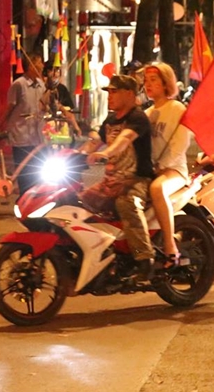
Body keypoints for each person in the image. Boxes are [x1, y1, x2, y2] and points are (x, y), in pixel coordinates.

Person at [79, 74, 155, 281]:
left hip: (136, 180)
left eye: (114, 92)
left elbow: (125, 138)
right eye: (109, 92)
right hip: (112, 180)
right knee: (80, 201)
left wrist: (106, 153)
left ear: (129, 94)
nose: (109, 96)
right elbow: (96, 139)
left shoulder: (137, 118)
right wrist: (79, 152)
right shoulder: (111, 119)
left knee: (126, 203)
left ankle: (144, 259)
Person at [143, 62, 192, 268]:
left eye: (153, 80)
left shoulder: (177, 109)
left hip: (174, 170)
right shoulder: (146, 113)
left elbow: (180, 143)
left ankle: (170, 245)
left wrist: (162, 166)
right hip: (151, 170)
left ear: (165, 83)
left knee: (157, 189)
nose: (148, 84)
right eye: (146, 80)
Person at [3, 53, 46, 196]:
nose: (42, 66)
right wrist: (1, 124)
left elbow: (44, 104)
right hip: (21, 134)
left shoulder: (41, 85)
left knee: (38, 170)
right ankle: (23, 199)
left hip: (37, 135)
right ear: (31, 66)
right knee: (24, 171)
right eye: (39, 62)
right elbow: (10, 107)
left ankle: (34, 199)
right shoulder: (19, 85)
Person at [41, 61, 82, 137]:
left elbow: (69, 112)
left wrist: (76, 127)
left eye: (57, 71)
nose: (54, 74)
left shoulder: (62, 89)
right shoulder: (41, 88)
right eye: (51, 71)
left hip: (61, 127)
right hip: (43, 127)